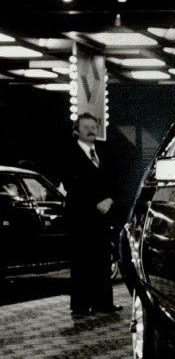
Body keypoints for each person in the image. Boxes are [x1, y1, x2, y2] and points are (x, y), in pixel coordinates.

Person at [62, 113, 119, 316]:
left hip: (102, 218)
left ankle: (104, 303)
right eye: (86, 126)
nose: (91, 130)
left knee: (103, 259)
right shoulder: (69, 153)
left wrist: (110, 199)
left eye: (94, 126)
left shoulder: (103, 152)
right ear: (76, 130)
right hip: (81, 217)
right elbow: (73, 185)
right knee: (82, 261)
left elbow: (114, 181)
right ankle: (81, 306)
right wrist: (96, 202)